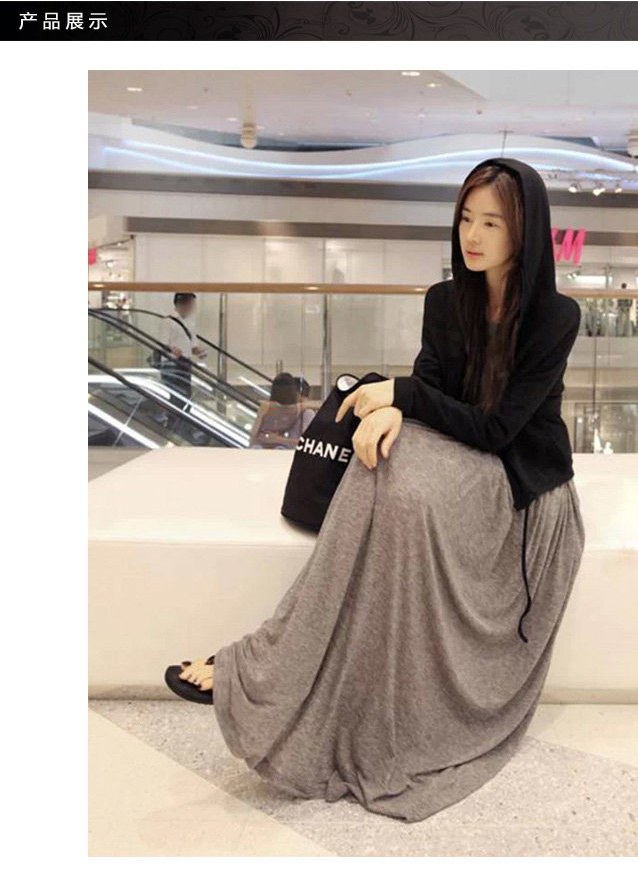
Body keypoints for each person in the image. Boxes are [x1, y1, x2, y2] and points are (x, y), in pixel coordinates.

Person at [164, 158, 586, 823]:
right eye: (466, 218)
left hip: (517, 478)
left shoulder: (555, 317)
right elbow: (432, 387)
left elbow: (500, 428)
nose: (473, 236)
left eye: (492, 223)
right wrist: (395, 411)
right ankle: (277, 660)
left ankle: (272, 661)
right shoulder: (445, 301)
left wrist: (402, 398)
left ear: (525, 231)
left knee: (397, 488)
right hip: (456, 454)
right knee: (378, 470)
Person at [157, 292, 206, 437]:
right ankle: (175, 429)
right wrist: (173, 349)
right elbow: (162, 343)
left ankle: (183, 428)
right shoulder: (168, 321)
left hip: (185, 363)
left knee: (185, 395)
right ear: (182, 304)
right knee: (176, 396)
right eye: (191, 305)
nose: (192, 308)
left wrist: (198, 352)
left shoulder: (189, 323)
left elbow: (192, 344)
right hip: (172, 364)